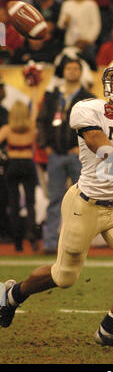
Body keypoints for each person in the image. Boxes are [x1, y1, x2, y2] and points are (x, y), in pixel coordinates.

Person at [0, 55, 113, 352]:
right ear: (106, 80)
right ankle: (13, 294)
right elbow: (97, 144)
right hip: (85, 203)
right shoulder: (88, 107)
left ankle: (109, 328)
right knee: (64, 277)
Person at [36, 59, 95, 254]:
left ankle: (81, 243)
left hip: (78, 156)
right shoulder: (53, 96)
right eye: (69, 68)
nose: (72, 72)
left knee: (83, 200)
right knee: (55, 199)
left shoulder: (87, 98)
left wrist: (84, 146)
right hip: (55, 154)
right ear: (64, 72)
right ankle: (50, 243)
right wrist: (46, 147)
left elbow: (96, 126)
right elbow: (42, 121)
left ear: (81, 72)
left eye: (76, 68)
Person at [0, 90, 39, 252]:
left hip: (13, 165)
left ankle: (17, 242)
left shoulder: (7, 129)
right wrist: (35, 91)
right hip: (28, 164)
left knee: (14, 204)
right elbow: (35, 112)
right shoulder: (31, 127)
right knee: (30, 203)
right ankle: (32, 234)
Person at [57, 0, 101, 64]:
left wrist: (88, 40)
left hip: (87, 44)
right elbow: (60, 25)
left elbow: (96, 25)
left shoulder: (91, 4)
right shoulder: (67, 4)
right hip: (70, 43)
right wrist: (66, 22)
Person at [0, 76, 11, 243]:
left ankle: (3, 231)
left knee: (3, 197)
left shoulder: (4, 112)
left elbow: (7, 130)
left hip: (3, 159)